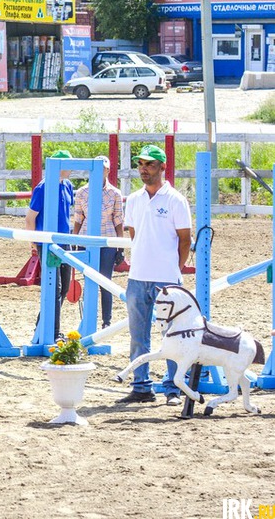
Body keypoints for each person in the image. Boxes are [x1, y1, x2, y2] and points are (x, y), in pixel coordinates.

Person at [118, 145, 191, 406]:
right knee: (138, 335)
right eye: (140, 164)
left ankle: (173, 387)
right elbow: (134, 234)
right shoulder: (135, 199)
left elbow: (185, 240)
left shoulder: (175, 200)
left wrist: (174, 270)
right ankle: (141, 386)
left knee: (171, 335)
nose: (143, 169)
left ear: (162, 167)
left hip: (166, 279)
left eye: (149, 164)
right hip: (138, 277)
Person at [26, 149, 74, 341]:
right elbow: (30, 218)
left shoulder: (68, 185)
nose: (71, 168)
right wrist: (33, 243)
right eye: (68, 164)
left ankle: (42, 326)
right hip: (48, 244)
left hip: (65, 242)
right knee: (54, 288)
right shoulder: (43, 187)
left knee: (63, 289)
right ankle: (53, 332)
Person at [72, 155, 124, 329]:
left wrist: (120, 246)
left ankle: (106, 321)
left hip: (106, 240)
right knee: (88, 279)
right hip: (86, 239)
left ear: (108, 170)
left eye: (104, 168)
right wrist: (74, 238)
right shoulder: (81, 193)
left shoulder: (115, 193)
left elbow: (118, 220)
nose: (102, 171)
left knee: (106, 281)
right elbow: (78, 218)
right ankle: (88, 318)